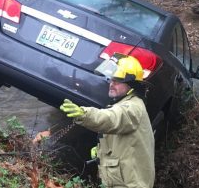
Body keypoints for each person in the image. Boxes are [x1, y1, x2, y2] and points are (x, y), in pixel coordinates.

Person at [60, 53, 155, 188]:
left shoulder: (133, 107)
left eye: (117, 80)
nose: (111, 83)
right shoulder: (125, 103)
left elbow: (110, 118)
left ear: (131, 84)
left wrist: (84, 114)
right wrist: (101, 150)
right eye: (111, 79)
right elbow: (122, 140)